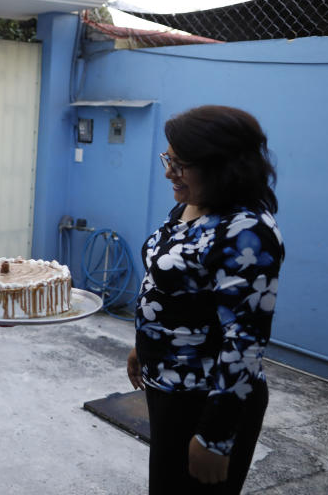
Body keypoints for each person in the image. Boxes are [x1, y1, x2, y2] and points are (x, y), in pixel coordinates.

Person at [126, 105, 284, 495]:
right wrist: (143, 347)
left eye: (180, 165)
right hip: (169, 386)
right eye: (169, 160)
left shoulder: (248, 231)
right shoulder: (190, 204)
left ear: (222, 166)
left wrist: (215, 437)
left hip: (208, 399)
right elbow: (173, 289)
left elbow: (245, 341)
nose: (168, 173)